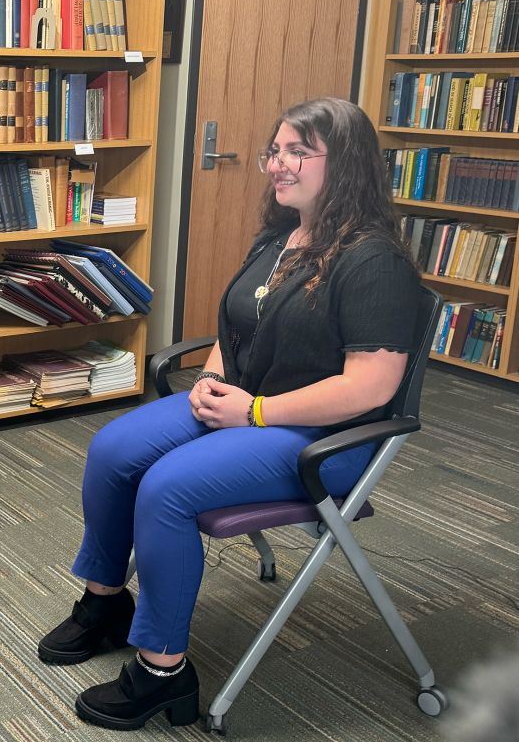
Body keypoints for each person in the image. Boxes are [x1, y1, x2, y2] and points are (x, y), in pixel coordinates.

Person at [37, 97, 422, 730]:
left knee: (167, 488)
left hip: (324, 437)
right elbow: (238, 323)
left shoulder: (373, 261)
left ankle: (164, 672)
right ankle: (104, 605)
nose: (278, 164)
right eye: (277, 149)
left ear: (346, 163)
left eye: (300, 151)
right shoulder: (281, 237)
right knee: (112, 450)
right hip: (247, 403)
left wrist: (257, 410)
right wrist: (214, 378)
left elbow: (370, 387)